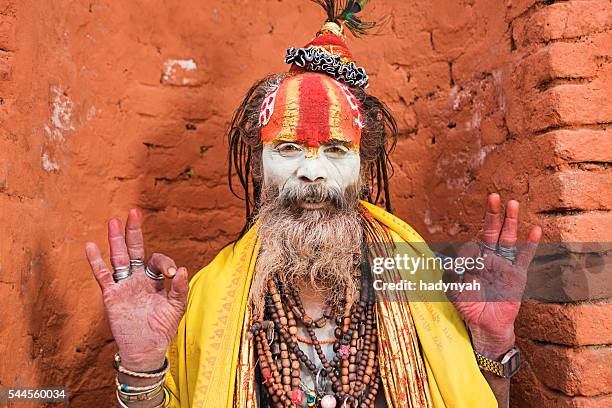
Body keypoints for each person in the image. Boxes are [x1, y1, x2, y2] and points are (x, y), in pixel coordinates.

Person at [85, 2, 541, 407]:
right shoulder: (209, 296)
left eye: (336, 150)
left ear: (362, 168)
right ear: (260, 167)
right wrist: (142, 367)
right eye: (287, 149)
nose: (312, 171)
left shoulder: (419, 279)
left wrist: (491, 342)